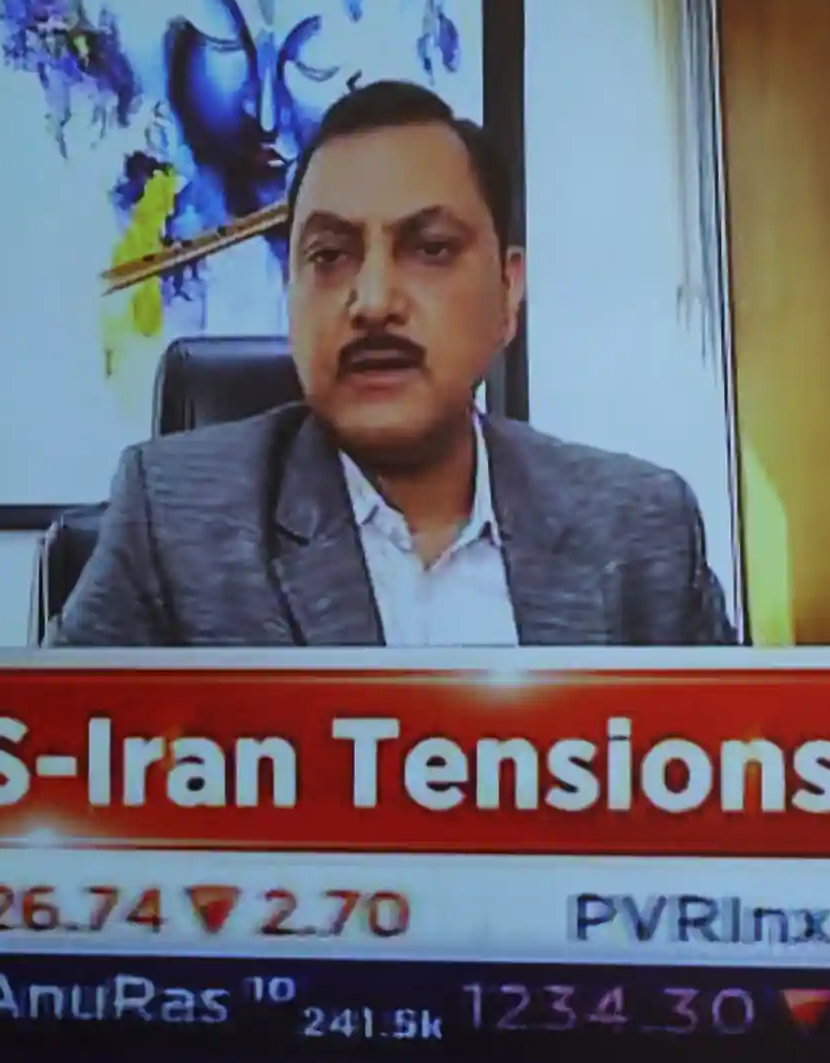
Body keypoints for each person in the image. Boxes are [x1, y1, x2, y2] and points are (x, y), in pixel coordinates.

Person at [49, 80, 736, 649]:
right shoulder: (174, 520)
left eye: (431, 248)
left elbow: (743, 790)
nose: (372, 301)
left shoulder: (643, 529)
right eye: (328, 256)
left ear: (508, 291)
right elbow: (37, 784)